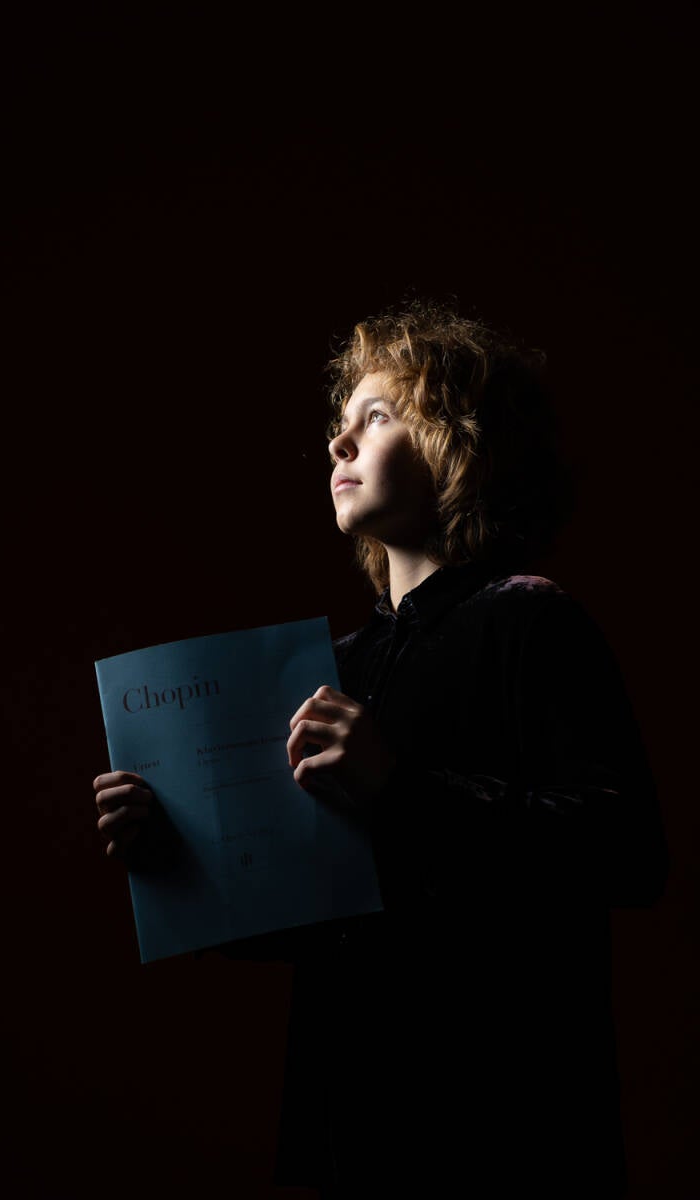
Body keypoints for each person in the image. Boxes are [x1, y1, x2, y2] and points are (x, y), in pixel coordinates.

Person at [94, 299, 669, 1198]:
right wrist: (181, 858)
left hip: (499, 1122)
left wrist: (398, 790)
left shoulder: (530, 618)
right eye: (342, 421)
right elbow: (327, 914)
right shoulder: (340, 664)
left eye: (378, 416)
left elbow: (627, 852)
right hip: (345, 1120)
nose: (339, 443)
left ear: (460, 446)